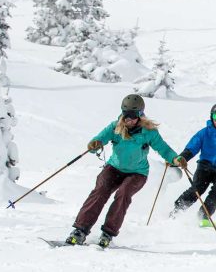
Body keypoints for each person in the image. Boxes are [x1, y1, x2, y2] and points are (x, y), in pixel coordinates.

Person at [66, 94, 182, 248]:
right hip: (114, 168)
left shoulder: (149, 132)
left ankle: (108, 233)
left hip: (137, 173)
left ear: (140, 115)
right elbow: (99, 139)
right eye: (126, 115)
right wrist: (94, 145)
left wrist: (175, 159)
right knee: (100, 191)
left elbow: (163, 148)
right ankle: (80, 230)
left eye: (133, 116)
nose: (129, 119)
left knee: (123, 193)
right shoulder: (115, 127)